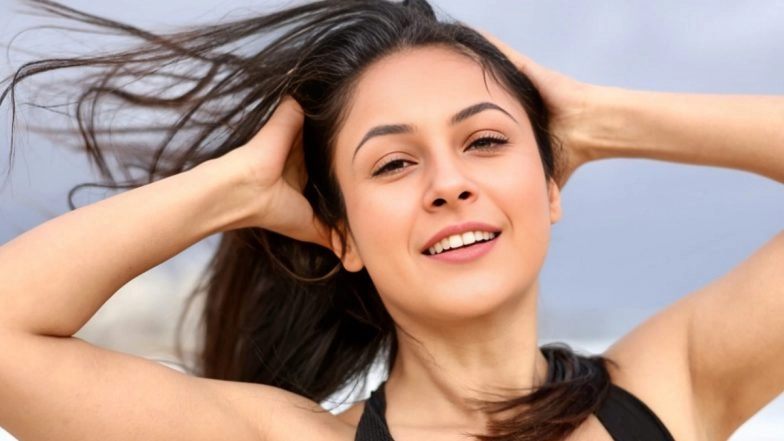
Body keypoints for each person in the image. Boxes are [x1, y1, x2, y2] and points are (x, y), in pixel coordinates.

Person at [0, 1, 782, 440]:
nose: (448, 183)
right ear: (340, 233)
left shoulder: (666, 393)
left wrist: (602, 118)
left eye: (484, 140)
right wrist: (231, 188)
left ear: (549, 185)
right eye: (393, 164)